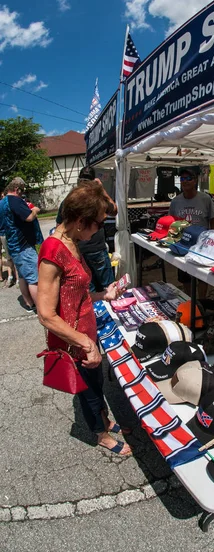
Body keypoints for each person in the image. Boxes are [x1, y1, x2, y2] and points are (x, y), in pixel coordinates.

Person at [37, 180, 132, 457]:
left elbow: (77, 293)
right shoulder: (53, 251)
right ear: (80, 222)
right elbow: (46, 314)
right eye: (98, 224)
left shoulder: (72, 241)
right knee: (87, 390)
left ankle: (103, 420)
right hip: (73, 340)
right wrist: (85, 343)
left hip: (85, 331)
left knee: (95, 383)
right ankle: (100, 433)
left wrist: (104, 295)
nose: (101, 228)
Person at [56, 167, 117, 292]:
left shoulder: (91, 200)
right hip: (83, 250)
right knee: (97, 289)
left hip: (90, 250)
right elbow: (60, 227)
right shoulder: (81, 200)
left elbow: (113, 211)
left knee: (96, 289)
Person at [169, 167, 214, 295]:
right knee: (184, 275)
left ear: (195, 181)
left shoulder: (205, 199)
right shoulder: (175, 201)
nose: (185, 181)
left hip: (202, 246)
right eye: (182, 179)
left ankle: (201, 303)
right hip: (183, 244)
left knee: (202, 276)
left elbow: (212, 221)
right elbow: (172, 223)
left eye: (188, 178)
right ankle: (189, 300)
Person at [0, 178, 42, 310]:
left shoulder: (2, 202)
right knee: (34, 278)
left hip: (13, 244)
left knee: (23, 276)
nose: (22, 194)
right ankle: (41, 308)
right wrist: (35, 210)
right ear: (17, 189)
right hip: (23, 246)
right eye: (22, 191)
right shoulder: (15, 200)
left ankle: (29, 303)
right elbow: (28, 217)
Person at [0, 190, 17, 287]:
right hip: (4, 233)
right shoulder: (5, 205)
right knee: (9, 256)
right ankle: (12, 276)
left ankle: (1, 276)